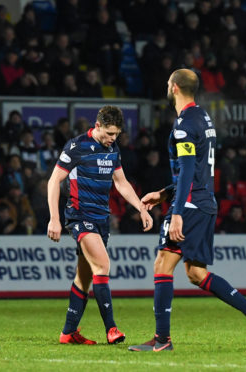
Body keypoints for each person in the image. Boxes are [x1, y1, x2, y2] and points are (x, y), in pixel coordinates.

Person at [128, 69, 246, 352]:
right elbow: (195, 171)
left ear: (173, 87)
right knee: (195, 272)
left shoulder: (184, 124)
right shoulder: (203, 118)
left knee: (162, 265)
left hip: (191, 205)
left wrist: (177, 210)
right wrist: (163, 194)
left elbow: (187, 171)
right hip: (205, 201)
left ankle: (162, 340)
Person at [47, 105, 153, 345]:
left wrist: (141, 207)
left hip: (101, 219)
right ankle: (112, 329)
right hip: (80, 216)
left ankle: (68, 333)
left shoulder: (112, 148)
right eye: (109, 133)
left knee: (84, 277)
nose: (113, 139)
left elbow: (121, 182)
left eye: (116, 134)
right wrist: (54, 218)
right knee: (103, 265)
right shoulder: (76, 147)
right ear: (97, 126)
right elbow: (54, 181)